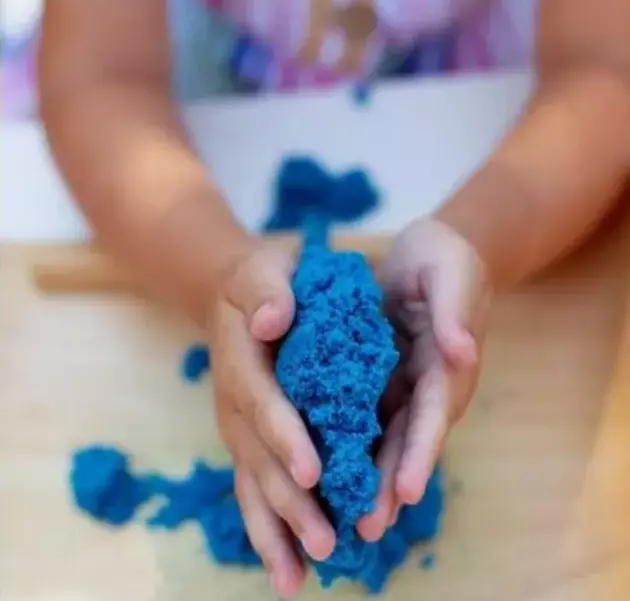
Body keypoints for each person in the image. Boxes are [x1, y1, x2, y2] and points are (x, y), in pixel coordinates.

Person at [39, 1, 630, 598]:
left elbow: (605, 70)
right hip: (221, 96)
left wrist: (477, 237)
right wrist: (218, 273)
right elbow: (99, 80)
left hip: (489, 101)